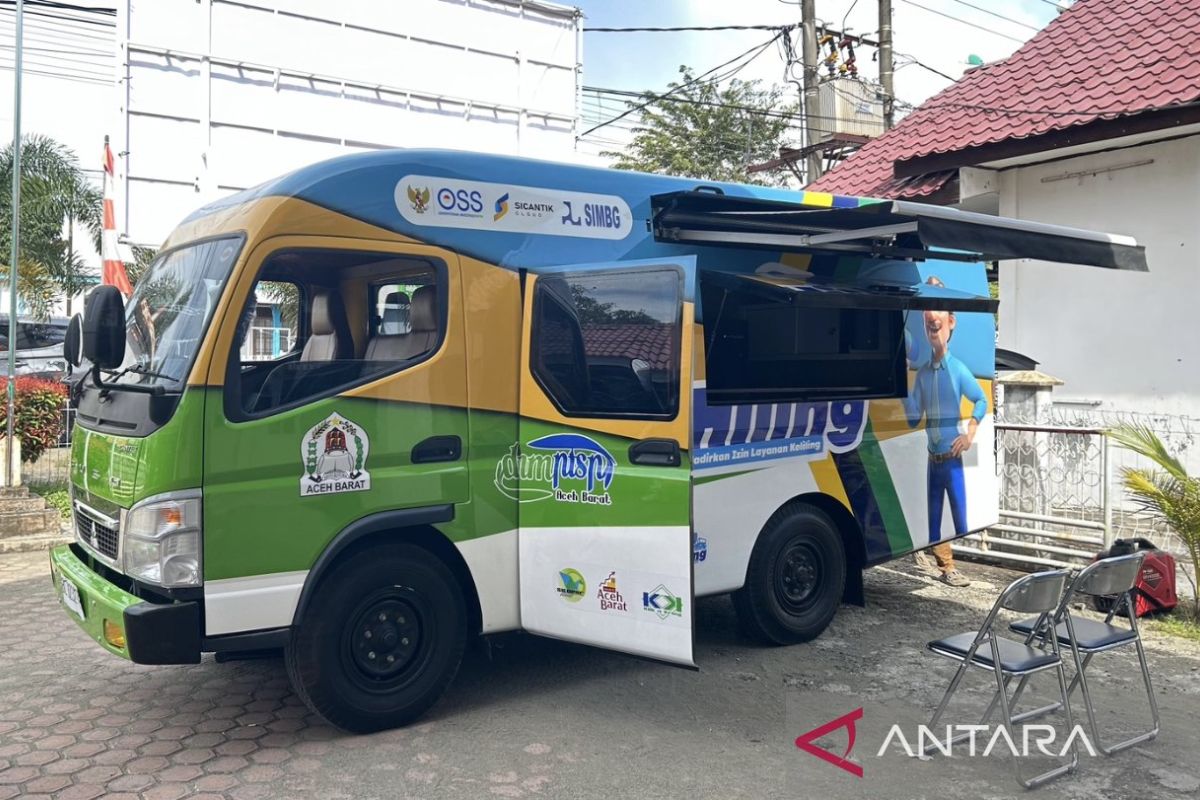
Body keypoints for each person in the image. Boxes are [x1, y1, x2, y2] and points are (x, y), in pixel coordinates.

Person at [904, 276, 987, 588]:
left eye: (938, 314)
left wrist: (969, 435)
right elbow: (913, 419)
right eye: (927, 319)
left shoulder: (959, 370)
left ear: (951, 323)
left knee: (961, 517)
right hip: (932, 459)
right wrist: (902, 387)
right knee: (933, 519)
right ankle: (946, 566)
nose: (932, 321)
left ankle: (949, 565)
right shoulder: (923, 375)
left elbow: (980, 399)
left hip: (951, 459)